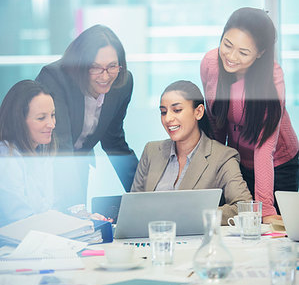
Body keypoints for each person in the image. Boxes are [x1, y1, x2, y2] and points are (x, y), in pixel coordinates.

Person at [200, 7, 299, 224]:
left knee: (276, 233)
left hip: (277, 165)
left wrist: (265, 208)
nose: (231, 57)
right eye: (227, 44)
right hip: (237, 162)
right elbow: (217, 125)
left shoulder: (272, 79)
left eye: (243, 52)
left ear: (260, 53)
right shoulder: (210, 63)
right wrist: (216, 172)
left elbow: (265, 147)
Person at [36, 25, 138, 206]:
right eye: (95, 67)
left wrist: (143, 195)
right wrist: (78, 210)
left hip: (79, 160)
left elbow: (114, 142)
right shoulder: (55, 77)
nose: (105, 76)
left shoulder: (122, 83)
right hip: (44, 164)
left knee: (79, 227)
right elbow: (61, 146)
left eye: (112, 66)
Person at [131, 80, 252, 225]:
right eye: (163, 112)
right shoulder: (151, 151)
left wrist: (198, 214)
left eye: (177, 110)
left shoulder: (222, 156)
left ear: (198, 112)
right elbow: (132, 208)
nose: (168, 119)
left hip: (195, 244)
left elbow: (245, 208)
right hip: (153, 241)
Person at [0, 80, 108, 227]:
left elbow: (53, 209)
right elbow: (21, 222)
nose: (52, 124)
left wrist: (83, 218)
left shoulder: (44, 152)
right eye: (41, 118)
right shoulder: (6, 158)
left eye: (52, 115)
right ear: (18, 120)